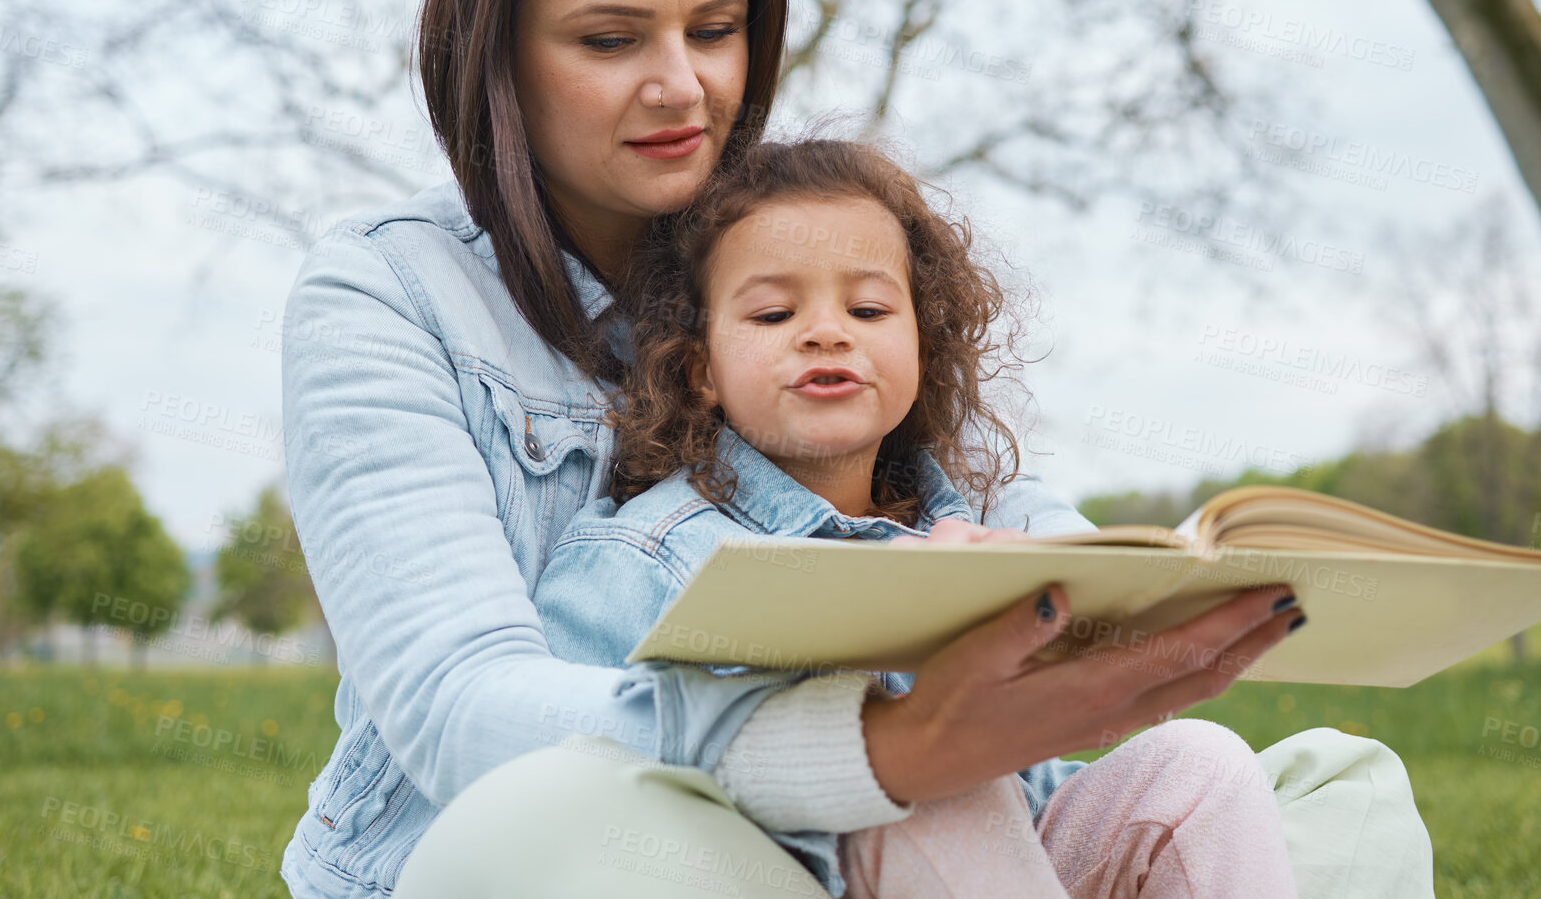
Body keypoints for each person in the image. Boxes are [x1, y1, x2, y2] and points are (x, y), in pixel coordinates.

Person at [277, 0, 1435, 899]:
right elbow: (461, 711)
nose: (681, 86)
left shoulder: (814, 245)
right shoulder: (390, 292)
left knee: (1333, 789)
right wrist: (871, 749)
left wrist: (1103, 594)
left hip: (908, 839)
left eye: (715, 29)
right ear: (498, 58)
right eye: (609, 40)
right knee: (570, 816)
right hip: (581, 844)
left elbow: (992, 505)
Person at [528, 133, 1306, 899]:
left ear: (922, 352)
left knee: (1201, 764)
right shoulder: (642, 556)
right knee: (930, 786)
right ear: (701, 370)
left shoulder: (971, 538)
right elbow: (553, 787)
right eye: (771, 315)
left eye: (867, 308)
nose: (826, 330)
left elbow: (1039, 783)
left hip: (1016, 866)